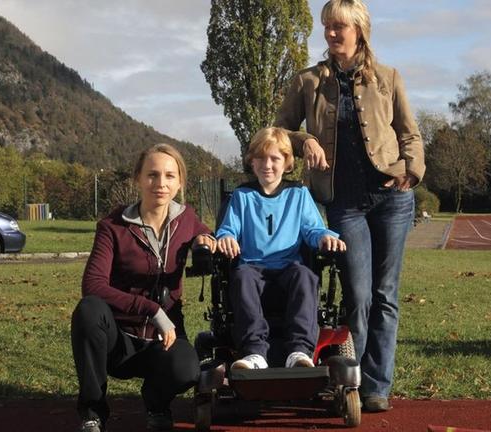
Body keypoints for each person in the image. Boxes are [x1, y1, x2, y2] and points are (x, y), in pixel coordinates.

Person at [274, 0, 426, 413]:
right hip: (344, 204)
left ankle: (378, 387)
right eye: (327, 27)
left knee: (386, 294)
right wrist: (303, 140)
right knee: (358, 296)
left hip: (392, 198)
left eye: (339, 26)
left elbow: (410, 135)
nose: (331, 34)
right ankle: (351, 381)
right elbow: (277, 131)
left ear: (360, 30)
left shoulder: (388, 78)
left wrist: (411, 172)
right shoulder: (307, 81)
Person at [70, 144, 217, 432]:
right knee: (88, 311)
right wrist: (151, 310)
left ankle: (156, 404)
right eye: (152, 175)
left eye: (169, 176)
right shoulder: (113, 226)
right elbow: (92, 285)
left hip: (164, 340)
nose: (160, 184)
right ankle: (93, 413)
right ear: (138, 178)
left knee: (188, 369)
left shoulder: (186, 219)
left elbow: (202, 231)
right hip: (118, 339)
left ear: (180, 183)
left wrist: (206, 239)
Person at [216, 127, 346, 370]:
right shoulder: (242, 197)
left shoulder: (298, 194)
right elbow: (227, 230)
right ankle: (255, 353)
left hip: (289, 268)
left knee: (305, 275)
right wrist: (226, 238)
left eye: (275, 158)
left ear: (287, 162)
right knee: (242, 275)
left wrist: (325, 237)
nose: (267, 165)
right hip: (253, 268)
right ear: (251, 161)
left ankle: (299, 351)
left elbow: (313, 229)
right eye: (261, 158)